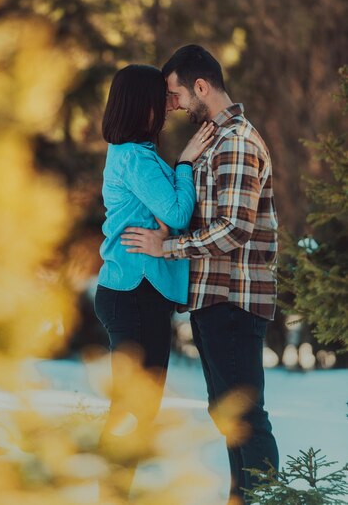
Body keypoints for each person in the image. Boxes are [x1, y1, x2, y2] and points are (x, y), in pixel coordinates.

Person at [121, 45, 279, 505]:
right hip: (213, 298)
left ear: (201, 87)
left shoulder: (236, 142)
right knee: (228, 413)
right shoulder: (219, 139)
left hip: (233, 299)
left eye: (175, 95)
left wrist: (166, 247)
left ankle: (264, 500)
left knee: (245, 417)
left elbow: (233, 228)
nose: (173, 105)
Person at [94, 63, 215, 496]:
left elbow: (170, 218)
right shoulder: (135, 158)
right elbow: (178, 212)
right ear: (142, 104)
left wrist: (167, 232)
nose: (169, 105)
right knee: (133, 408)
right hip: (134, 292)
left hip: (137, 292)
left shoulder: (136, 154)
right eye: (161, 98)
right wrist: (185, 163)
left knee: (137, 409)